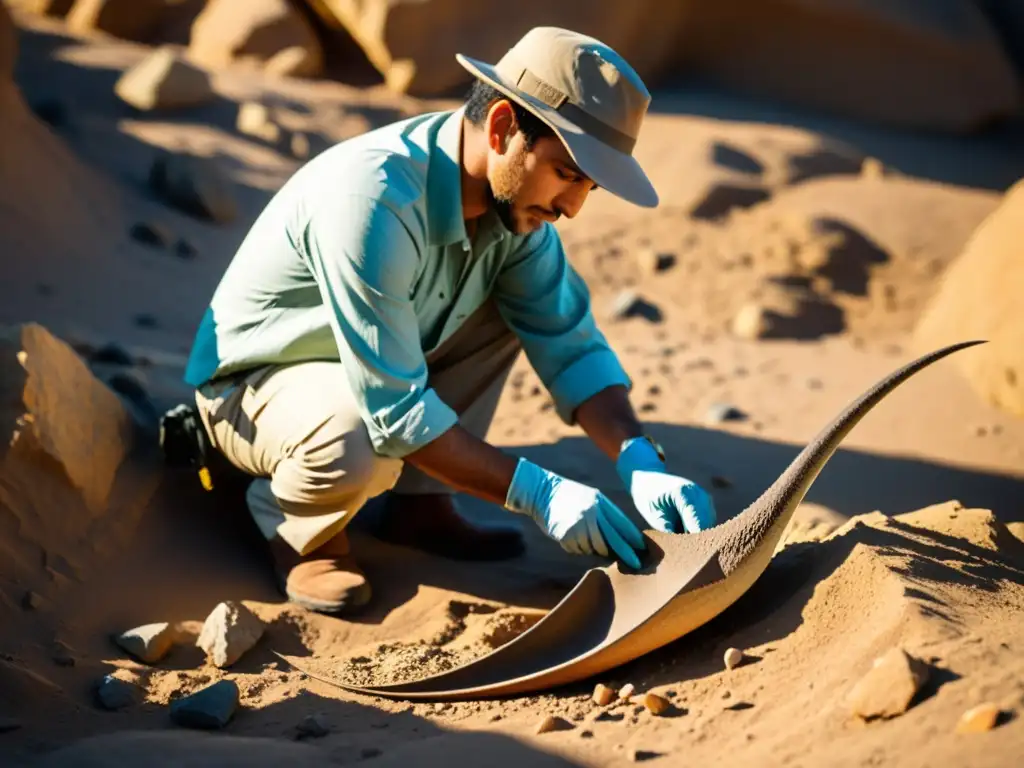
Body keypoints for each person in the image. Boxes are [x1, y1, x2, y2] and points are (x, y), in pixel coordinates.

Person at [183, 26, 716, 616]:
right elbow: (396, 415)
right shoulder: (374, 199)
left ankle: (421, 505)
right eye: (567, 174)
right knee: (358, 438)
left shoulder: (517, 215)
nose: (572, 208)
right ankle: (300, 531)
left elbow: (568, 341)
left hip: (368, 369)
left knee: (510, 306)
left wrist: (637, 455)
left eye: (587, 187)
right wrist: (539, 494)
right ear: (502, 128)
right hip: (252, 388)